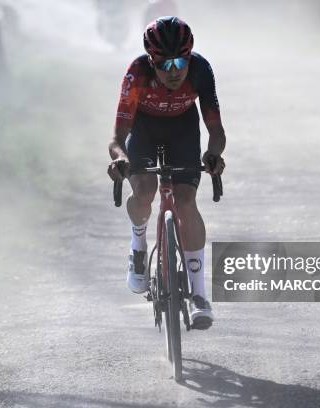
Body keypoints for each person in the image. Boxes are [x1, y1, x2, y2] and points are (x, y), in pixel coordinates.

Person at [107, 16, 226, 329]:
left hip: (183, 130)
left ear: (189, 57)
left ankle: (199, 295)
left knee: (186, 203)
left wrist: (214, 156)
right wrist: (120, 159)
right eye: (164, 65)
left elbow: (215, 129)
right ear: (151, 62)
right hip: (143, 129)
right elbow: (117, 137)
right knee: (144, 192)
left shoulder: (200, 70)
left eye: (180, 62)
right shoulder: (137, 73)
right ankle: (137, 246)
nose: (174, 72)